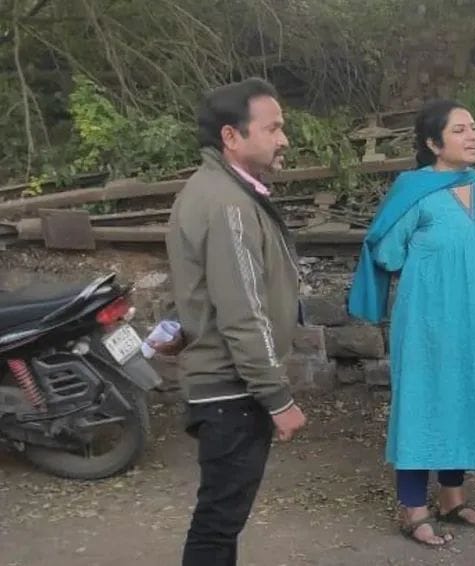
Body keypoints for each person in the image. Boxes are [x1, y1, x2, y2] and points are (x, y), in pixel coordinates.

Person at [347, 99, 475, 547]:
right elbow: (386, 252)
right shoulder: (413, 189)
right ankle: (414, 509)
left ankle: (453, 499)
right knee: (423, 402)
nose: (472, 136)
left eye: (474, 127)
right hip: (428, 320)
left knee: (462, 397)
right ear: (432, 142)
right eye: (460, 129)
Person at [165, 77, 307, 566]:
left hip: (225, 386)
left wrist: (183, 327)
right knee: (218, 524)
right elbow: (244, 311)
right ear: (232, 136)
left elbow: (203, 287)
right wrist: (277, 396)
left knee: (220, 521)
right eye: (273, 128)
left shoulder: (215, 190)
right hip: (233, 391)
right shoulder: (228, 205)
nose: (283, 138)